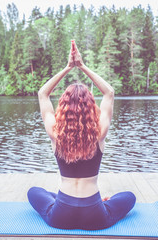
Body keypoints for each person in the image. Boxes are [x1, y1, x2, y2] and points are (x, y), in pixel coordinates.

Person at [27, 40, 136, 230]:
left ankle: (57, 197)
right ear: (90, 106)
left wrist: (68, 67)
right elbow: (109, 92)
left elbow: (43, 93)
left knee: (34, 192)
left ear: (63, 106)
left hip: (61, 215)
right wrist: (82, 66)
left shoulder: (55, 132)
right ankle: (100, 202)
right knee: (129, 197)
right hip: (95, 215)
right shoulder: (99, 132)